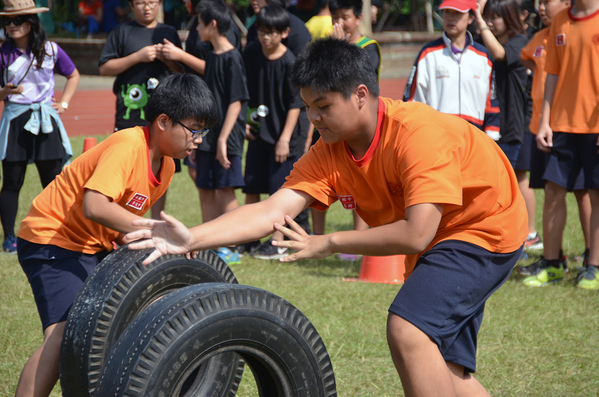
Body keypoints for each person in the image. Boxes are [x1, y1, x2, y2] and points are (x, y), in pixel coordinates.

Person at [124, 38, 527, 396]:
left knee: (409, 331)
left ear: (360, 95)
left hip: (483, 224)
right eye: (307, 107)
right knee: (442, 364)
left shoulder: (416, 134)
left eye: (323, 106)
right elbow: (271, 210)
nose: (313, 118)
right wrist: (191, 238)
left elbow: (417, 234)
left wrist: (327, 242)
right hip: (441, 234)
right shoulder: (328, 151)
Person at [13, 73, 217, 397]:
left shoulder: (164, 167)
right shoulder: (127, 145)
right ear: (164, 121)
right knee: (66, 333)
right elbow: (95, 205)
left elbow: (121, 221)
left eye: (203, 131)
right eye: (194, 129)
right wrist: (155, 227)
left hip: (91, 243)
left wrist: (165, 243)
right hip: (52, 237)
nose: (199, 139)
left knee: (105, 325)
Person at [517, 0, 591, 281]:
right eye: (539, 3)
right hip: (547, 126)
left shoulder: (580, 28)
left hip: (579, 125)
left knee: (586, 192)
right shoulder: (541, 37)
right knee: (552, 191)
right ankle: (553, 259)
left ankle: (590, 256)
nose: (542, 7)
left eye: (548, 1)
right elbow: (527, 59)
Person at [0, 0, 80, 254]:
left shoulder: (51, 49)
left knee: (53, 181)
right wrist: (6, 91)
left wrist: (64, 104)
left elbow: (73, 74)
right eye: (7, 21)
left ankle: (59, 230)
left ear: (31, 23)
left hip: (45, 119)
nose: (11, 26)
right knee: (12, 181)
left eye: (18, 20)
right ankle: (9, 237)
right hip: (16, 119)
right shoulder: (3, 52)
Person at [99, 0, 183, 219]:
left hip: (163, 115)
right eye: (140, 3)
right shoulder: (122, 31)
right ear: (131, 5)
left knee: (160, 167)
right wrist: (138, 56)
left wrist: (169, 59)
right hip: (129, 113)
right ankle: (125, 222)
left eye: (152, 2)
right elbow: (105, 68)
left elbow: (181, 70)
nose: (147, 7)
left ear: (160, 4)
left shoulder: (168, 32)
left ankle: (156, 222)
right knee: (126, 164)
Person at [241, 5, 307, 259]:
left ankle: (277, 241)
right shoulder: (252, 54)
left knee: (279, 191)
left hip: (284, 136)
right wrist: (247, 122)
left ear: (284, 33)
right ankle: (248, 237)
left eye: (271, 32)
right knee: (251, 186)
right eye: (261, 31)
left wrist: (284, 139)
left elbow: (295, 105)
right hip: (259, 133)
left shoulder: (290, 62)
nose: (265, 37)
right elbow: (246, 94)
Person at [194, 0, 249, 264]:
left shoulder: (233, 57)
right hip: (208, 134)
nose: (196, 28)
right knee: (205, 187)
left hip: (227, 135)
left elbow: (236, 101)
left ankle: (231, 246)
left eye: (199, 23)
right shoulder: (210, 55)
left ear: (212, 24)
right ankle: (210, 243)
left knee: (225, 190)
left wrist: (224, 139)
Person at [403, 0, 500, 138]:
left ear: (471, 18)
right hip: (437, 136)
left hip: (475, 137)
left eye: (458, 13)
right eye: (447, 12)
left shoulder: (483, 56)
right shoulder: (428, 53)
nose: (451, 18)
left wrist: (492, 135)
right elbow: (412, 100)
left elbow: (491, 99)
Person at [475, 0, 528, 169]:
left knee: (505, 182)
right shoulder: (481, 43)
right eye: (486, 17)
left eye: (495, 17)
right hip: (486, 126)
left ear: (509, 17)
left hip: (508, 128)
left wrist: (481, 22)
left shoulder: (520, 42)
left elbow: (499, 53)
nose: (489, 22)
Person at [330, 0, 381, 79]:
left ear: (358, 19)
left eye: (345, 17)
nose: (339, 23)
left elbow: (359, 78)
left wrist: (340, 48)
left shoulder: (368, 47)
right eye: (335, 17)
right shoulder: (328, 45)